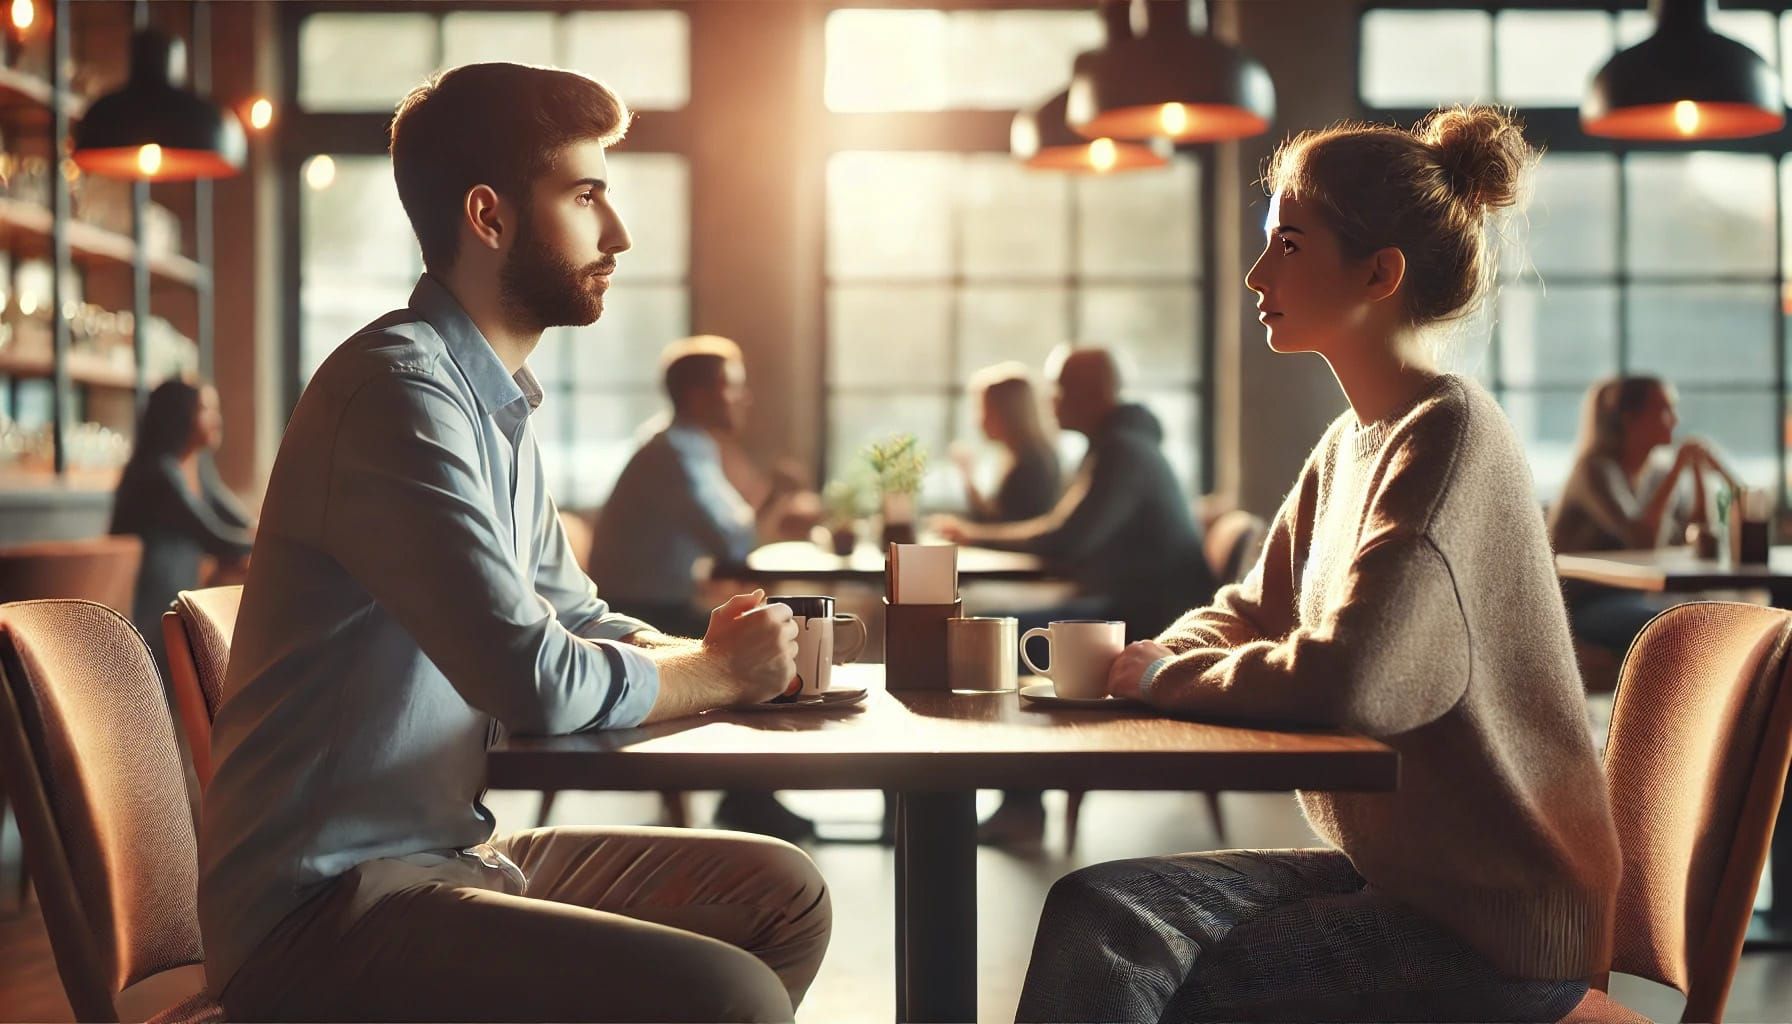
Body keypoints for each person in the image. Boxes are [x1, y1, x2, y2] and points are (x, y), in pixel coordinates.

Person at [199, 64, 829, 1023]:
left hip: (446, 855)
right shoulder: (398, 395)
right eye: (586, 196)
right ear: (489, 217)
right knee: (730, 993)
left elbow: (575, 616)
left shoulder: (490, 401)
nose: (618, 233)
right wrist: (717, 673)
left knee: (785, 895)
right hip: (322, 909)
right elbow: (532, 680)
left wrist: (719, 654)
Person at [1016, 107, 1618, 1022]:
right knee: (1100, 913)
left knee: (1172, 983)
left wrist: (1165, 678)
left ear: (1380, 273)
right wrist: (1154, 661)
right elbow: (1252, 610)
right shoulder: (1352, 442)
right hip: (1404, 879)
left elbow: (1357, 682)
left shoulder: (1448, 437)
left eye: (1288, 245)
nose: (1258, 274)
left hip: (1493, 923)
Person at [935, 345, 1213, 847]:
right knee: (989, 627)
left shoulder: (1123, 451)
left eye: (1061, 389)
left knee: (989, 633)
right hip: (1131, 608)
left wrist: (974, 535)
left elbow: (1067, 539)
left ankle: (1019, 807)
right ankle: (1016, 803)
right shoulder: (1119, 446)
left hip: (1143, 623)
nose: (1052, 401)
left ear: (1095, 392)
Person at [591, 334, 818, 843]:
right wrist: (776, 497)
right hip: (638, 614)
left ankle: (748, 798)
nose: (745, 398)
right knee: (759, 650)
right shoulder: (673, 452)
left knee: (764, 638)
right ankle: (749, 801)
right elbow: (733, 540)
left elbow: (734, 536)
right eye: (733, 386)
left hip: (658, 602)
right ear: (699, 396)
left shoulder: (684, 444)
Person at [1549, 376, 1738, 653]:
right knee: (1679, 626)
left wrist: (1697, 472)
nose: (1675, 420)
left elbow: (1698, 539)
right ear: (1629, 418)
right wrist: (1677, 469)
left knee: (1723, 617)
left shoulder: (1656, 472)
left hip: (1640, 594)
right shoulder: (1595, 471)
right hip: (1586, 603)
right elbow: (1642, 540)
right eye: (1664, 410)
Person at [110, 377, 254, 671]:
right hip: (148, 621)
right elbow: (216, 539)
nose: (217, 420)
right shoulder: (158, 474)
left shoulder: (194, 468)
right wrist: (275, 545)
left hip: (177, 606)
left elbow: (239, 523)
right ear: (179, 416)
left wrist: (263, 538)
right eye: (205, 410)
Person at [949, 362, 1061, 524]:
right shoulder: (1026, 456)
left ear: (1007, 412)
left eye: (984, 410)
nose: (978, 421)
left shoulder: (1030, 465)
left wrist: (968, 478)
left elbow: (1002, 525)